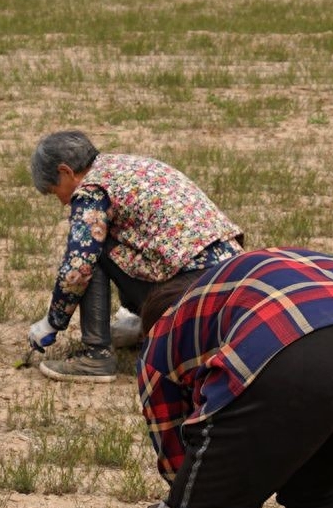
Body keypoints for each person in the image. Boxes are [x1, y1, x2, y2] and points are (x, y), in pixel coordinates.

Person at [133, 247, 333, 508]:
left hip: (293, 340)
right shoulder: (232, 289)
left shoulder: (162, 336)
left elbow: (179, 461)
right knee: (314, 489)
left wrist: (207, 494)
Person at [25, 131, 242, 383]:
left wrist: (53, 322)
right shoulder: (127, 166)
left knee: (92, 248)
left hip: (190, 295)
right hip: (233, 282)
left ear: (66, 171)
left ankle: (96, 358)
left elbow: (79, 266)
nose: (63, 202)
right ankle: (141, 325)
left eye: (55, 191)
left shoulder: (92, 190)